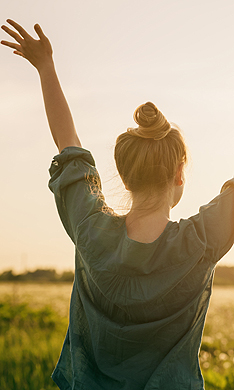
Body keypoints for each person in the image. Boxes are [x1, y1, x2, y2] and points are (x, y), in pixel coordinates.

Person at [1, 20, 234, 390]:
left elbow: (67, 143)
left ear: (124, 178)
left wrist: (46, 66)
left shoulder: (90, 230)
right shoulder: (199, 242)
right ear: (179, 175)